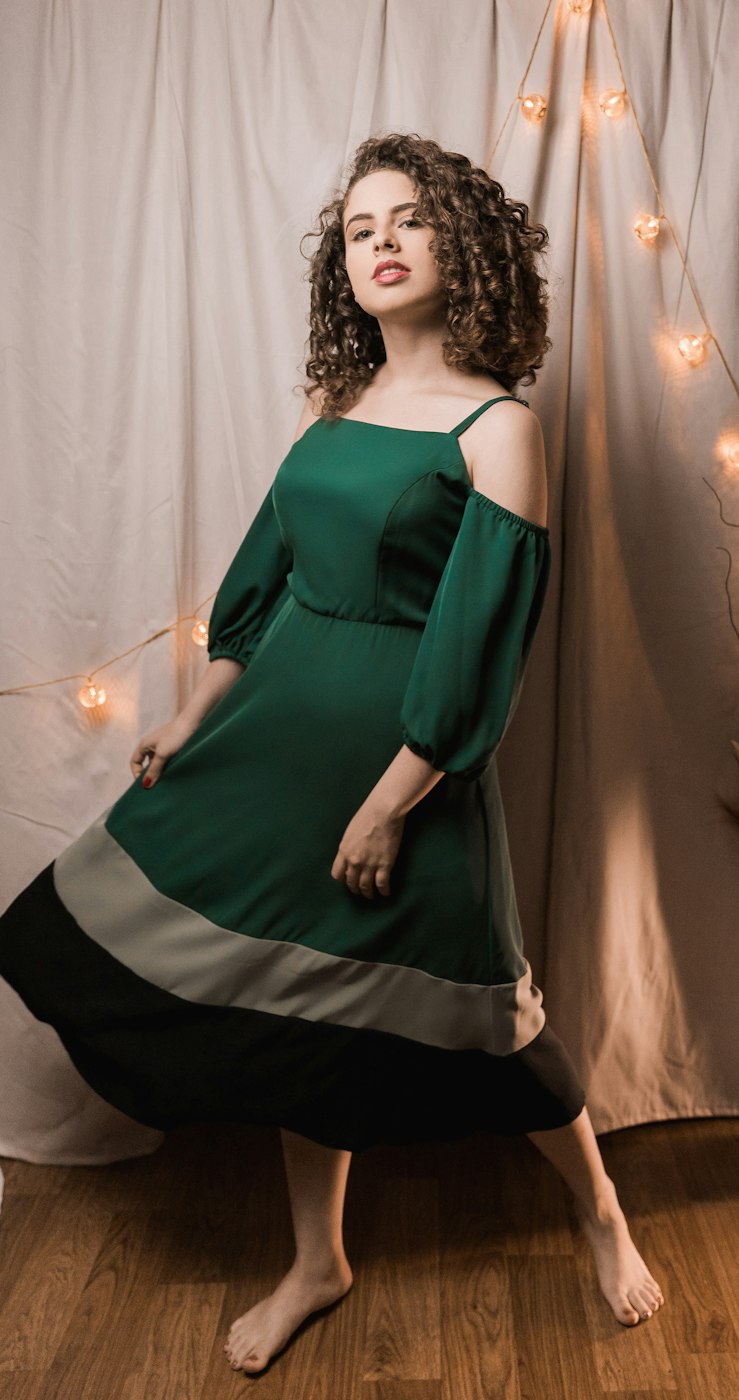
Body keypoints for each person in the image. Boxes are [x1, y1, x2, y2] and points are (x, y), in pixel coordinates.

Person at [0, 132, 662, 1376]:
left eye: (408, 221)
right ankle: (318, 1258)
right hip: (271, 748)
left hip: (402, 770)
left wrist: (396, 800)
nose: (383, 244)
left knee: (498, 1019)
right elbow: (267, 584)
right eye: (360, 229)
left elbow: (482, 651)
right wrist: (195, 712)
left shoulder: (499, 425)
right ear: (339, 264)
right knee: (297, 1011)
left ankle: (601, 1213)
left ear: (457, 244)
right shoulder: (336, 407)